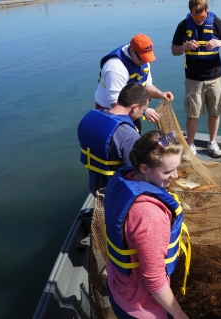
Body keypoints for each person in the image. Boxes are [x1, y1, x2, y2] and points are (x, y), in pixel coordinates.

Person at [104, 130, 190, 319]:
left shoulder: (123, 179)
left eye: (176, 168)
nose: (175, 176)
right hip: (142, 307)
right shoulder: (149, 215)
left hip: (119, 286)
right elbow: (154, 280)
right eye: (167, 171)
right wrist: (178, 313)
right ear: (144, 168)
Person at [171, 0, 221, 158]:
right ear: (190, 13)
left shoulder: (217, 23)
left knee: (215, 112)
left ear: (206, 11)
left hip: (216, 77)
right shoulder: (183, 25)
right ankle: (191, 145)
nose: (199, 19)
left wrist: (220, 42)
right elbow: (174, 50)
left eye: (201, 16)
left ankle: (212, 143)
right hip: (193, 78)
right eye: (195, 16)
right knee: (192, 113)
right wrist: (185, 47)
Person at [78, 83, 150, 195]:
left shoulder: (91, 117)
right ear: (135, 107)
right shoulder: (129, 135)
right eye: (143, 110)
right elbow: (134, 174)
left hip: (95, 188)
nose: (142, 114)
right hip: (116, 194)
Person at [95, 33, 174, 134]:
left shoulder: (141, 58)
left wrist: (160, 94)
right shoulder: (115, 68)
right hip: (110, 115)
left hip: (134, 111)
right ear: (132, 51)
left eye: (147, 58)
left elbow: (147, 86)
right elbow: (115, 102)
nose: (145, 61)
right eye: (142, 58)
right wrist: (144, 111)